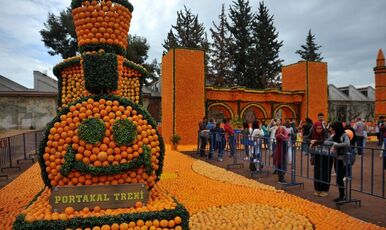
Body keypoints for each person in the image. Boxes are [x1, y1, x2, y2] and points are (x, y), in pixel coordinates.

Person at [326, 121, 351, 202]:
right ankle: (341, 195)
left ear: (337, 128)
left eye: (333, 129)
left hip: (343, 159)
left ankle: (343, 196)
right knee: (338, 178)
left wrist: (336, 145)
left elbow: (347, 144)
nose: (332, 131)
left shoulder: (344, 135)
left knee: (340, 178)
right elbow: (326, 141)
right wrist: (333, 142)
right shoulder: (335, 135)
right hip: (337, 158)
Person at [309, 121, 331, 197]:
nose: (319, 130)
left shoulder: (325, 132)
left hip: (326, 155)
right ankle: (317, 188)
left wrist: (316, 142)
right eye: (317, 128)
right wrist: (310, 141)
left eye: (320, 128)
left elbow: (325, 141)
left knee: (325, 172)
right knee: (317, 171)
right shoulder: (312, 132)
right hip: (317, 154)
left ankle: (325, 189)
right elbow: (306, 138)